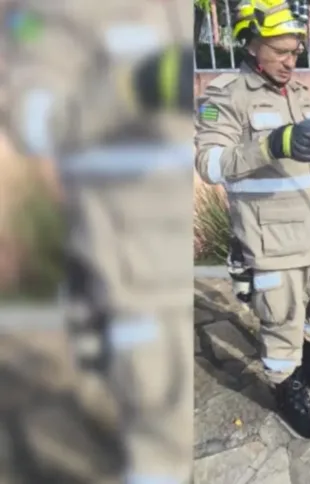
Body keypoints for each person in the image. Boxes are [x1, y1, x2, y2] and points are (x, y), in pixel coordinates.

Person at [1, 1, 195, 483]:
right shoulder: (47, 19)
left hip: (169, 257)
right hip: (115, 265)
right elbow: (35, 120)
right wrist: (128, 88)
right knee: (144, 435)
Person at [194, 0, 310, 440]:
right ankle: (287, 389)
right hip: (272, 239)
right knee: (282, 320)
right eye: (280, 51)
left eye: (295, 52)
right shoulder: (225, 96)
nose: (291, 61)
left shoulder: (300, 94)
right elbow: (208, 164)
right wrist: (271, 145)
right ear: (251, 45)